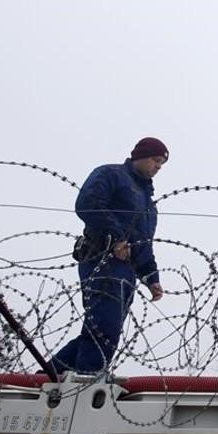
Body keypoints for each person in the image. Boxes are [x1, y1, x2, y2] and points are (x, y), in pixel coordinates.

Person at [49, 137, 167, 376]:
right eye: (156, 160)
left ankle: (44, 379)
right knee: (105, 326)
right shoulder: (111, 175)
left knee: (100, 331)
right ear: (140, 156)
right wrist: (116, 237)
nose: (158, 167)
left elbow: (144, 243)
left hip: (128, 271)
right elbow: (88, 204)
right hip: (102, 259)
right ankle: (86, 381)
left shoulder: (148, 204)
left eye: (162, 164)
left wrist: (152, 277)